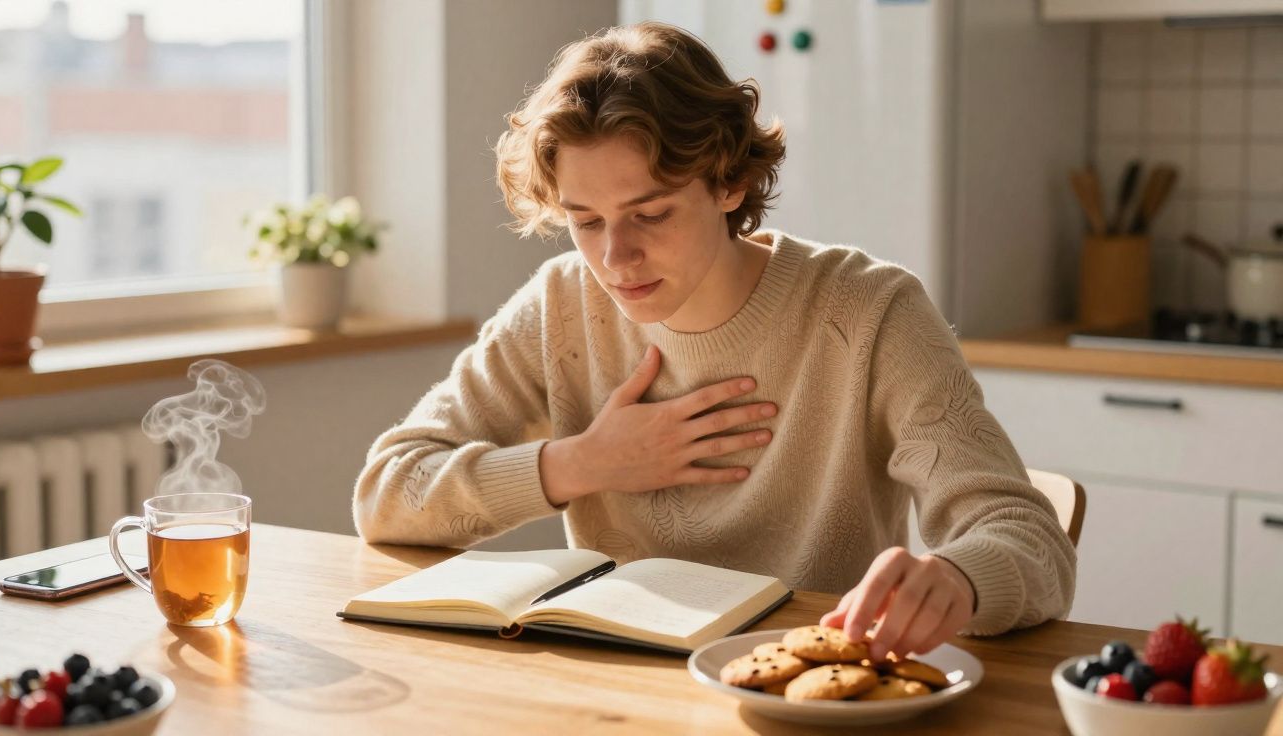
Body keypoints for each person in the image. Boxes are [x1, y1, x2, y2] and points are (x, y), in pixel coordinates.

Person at [353, 21, 1075, 661]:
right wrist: (583, 463)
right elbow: (386, 493)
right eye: (586, 220)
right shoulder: (559, 306)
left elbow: (1027, 537)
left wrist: (955, 576)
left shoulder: (868, 310)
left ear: (729, 182)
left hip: (801, 687)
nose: (614, 258)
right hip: (615, 691)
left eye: (651, 213)